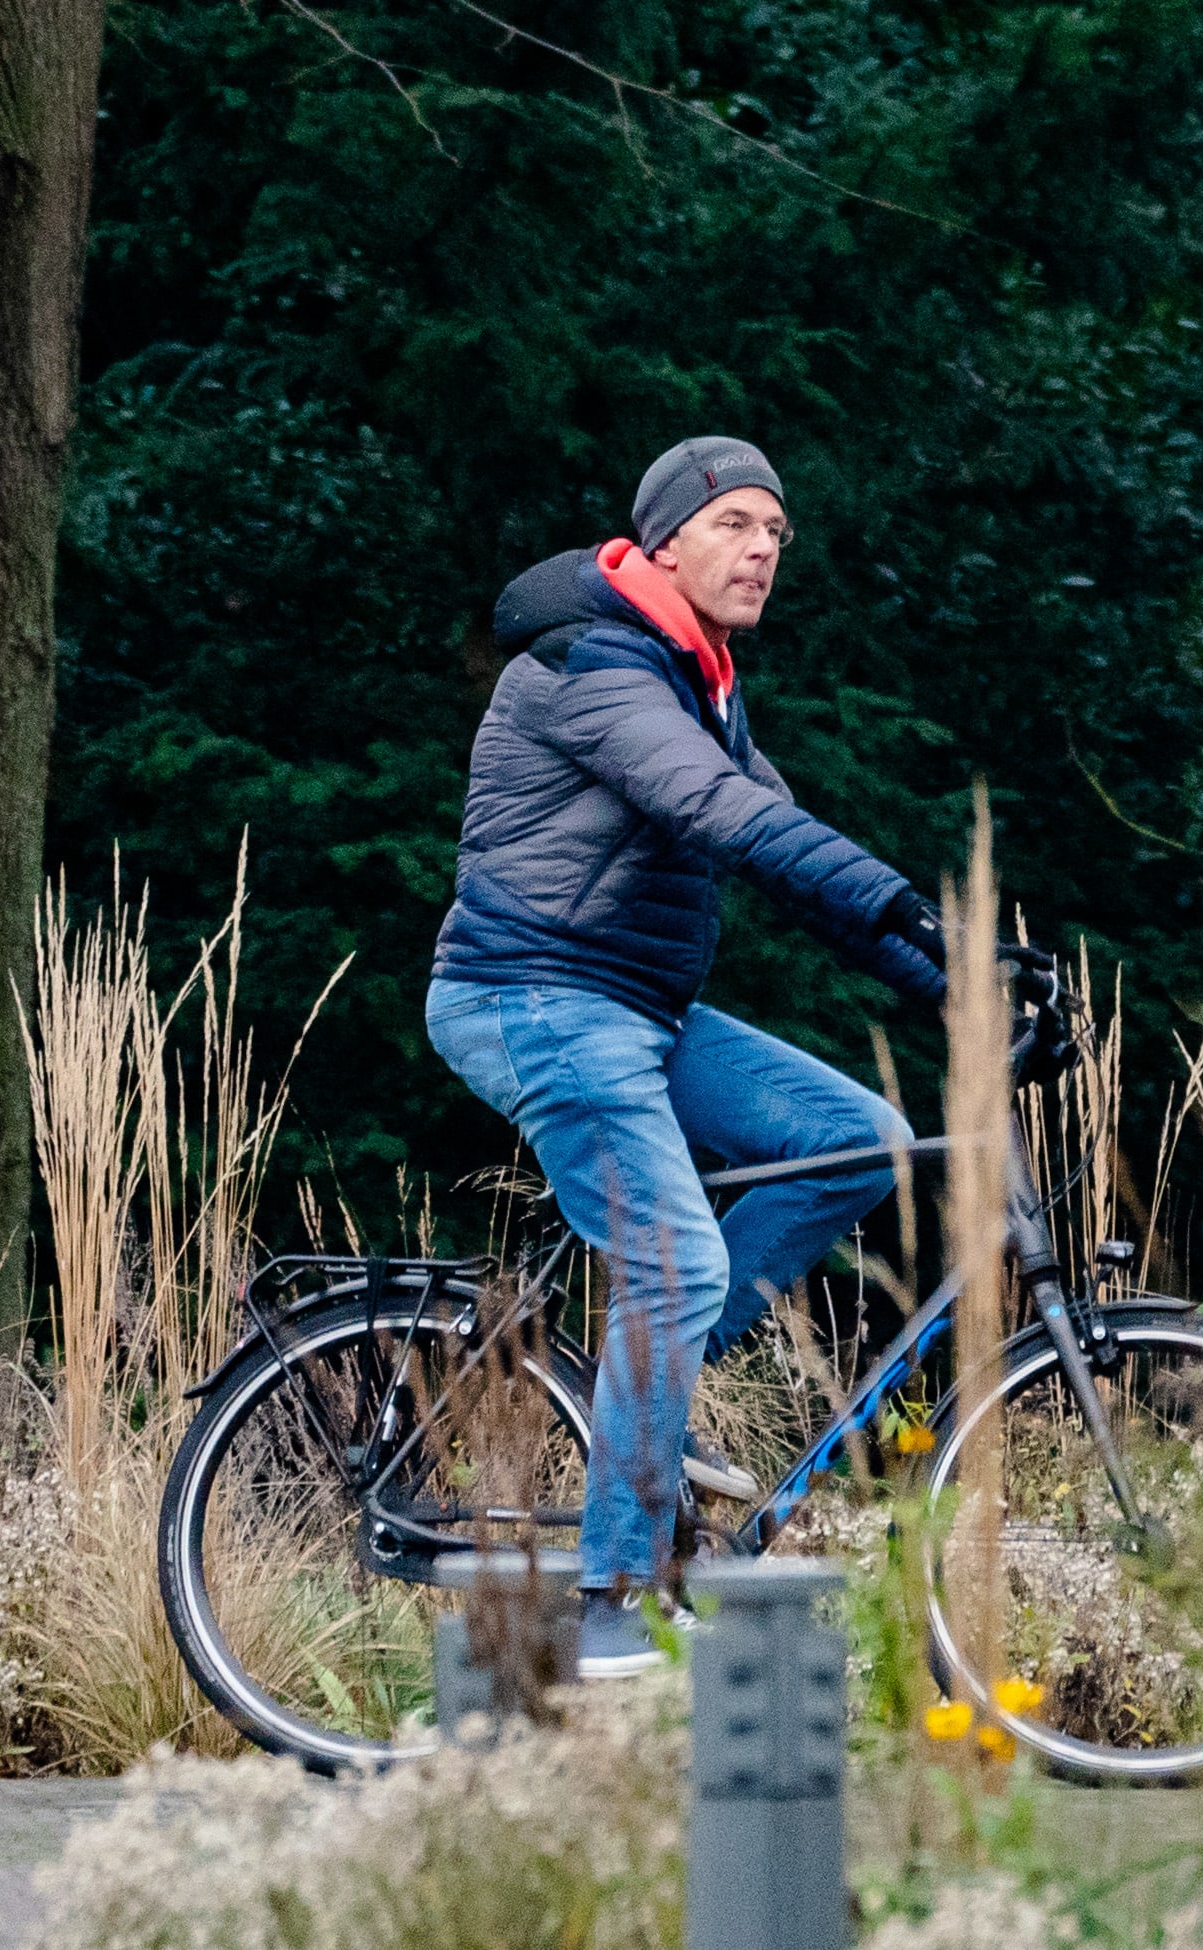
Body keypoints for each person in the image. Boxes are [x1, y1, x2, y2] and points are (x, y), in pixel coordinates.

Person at [426, 437, 983, 1676]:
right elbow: (726, 814)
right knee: (674, 1264)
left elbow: (788, 847)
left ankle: (649, 1406)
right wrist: (909, 903)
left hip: (638, 1012)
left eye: (777, 532)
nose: (764, 548)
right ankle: (614, 1600)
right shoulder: (598, 665)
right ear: (665, 540)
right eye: (737, 523)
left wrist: (962, 980)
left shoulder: (701, 683)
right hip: (531, 999)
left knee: (858, 1144)